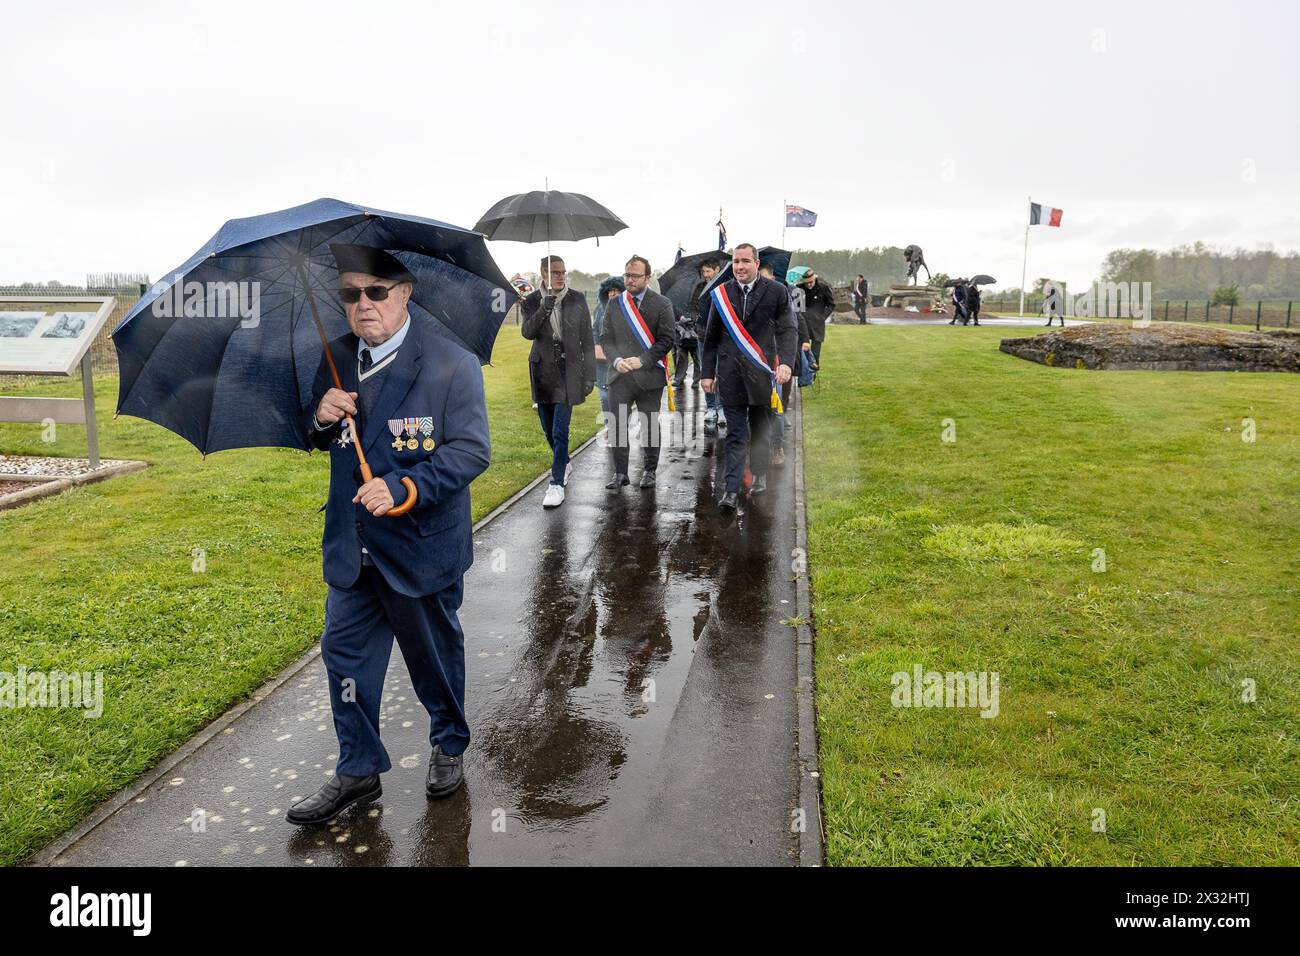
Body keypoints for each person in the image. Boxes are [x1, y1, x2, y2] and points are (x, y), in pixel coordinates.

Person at [289, 244, 491, 825]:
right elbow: (319, 436)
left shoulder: (450, 362)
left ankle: (449, 741)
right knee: (345, 656)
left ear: (405, 295)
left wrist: (403, 489)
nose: (362, 305)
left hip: (421, 544)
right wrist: (321, 418)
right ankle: (358, 769)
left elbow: (471, 450)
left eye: (376, 292)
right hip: (354, 549)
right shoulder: (333, 360)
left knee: (431, 656)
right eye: (350, 294)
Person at [700, 243, 797, 510]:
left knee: (760, 431)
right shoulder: (720, 294)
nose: (740, 266)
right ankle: (730, 489)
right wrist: (706, 373)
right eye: (735, 261)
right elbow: (710, 338)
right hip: (730, 374)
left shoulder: (776, 292)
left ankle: (759, 475)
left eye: (745, 261)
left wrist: (786, 363)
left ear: (756, 263)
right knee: (735, 433)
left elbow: (788, 330)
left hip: (761, 374)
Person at [520, 255, 596, 509]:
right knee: (547, 429)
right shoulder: (531, 301)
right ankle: (564, 462)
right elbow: (528, 332)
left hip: (569, 372)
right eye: (555, 272)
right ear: (543, 274)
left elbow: (587, 338)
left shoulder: (577, 299)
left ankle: (556, 483)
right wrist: (545, 307)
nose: (561, 276)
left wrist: (590, 375)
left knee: (560, 431)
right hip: (542, 373)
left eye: (563, 272)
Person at [599, 255, 676, 489]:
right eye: (627, 276)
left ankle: (649, 471)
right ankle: (620, 473)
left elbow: (666, 340)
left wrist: (642, 360)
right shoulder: (615, 303)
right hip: (620, 376)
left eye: (635, 276)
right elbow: (606, 338)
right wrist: (616, 360)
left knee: (650, 424)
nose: (630, 280)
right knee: (617, 425)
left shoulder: (662, 303)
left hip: (649, 376)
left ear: (647, 277)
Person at [690, 257, 724, 428]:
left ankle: (723, 407)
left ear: (717, 269)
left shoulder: (726, 285)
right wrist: (698, 321)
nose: (705, 275)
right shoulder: (700, 288)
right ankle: (711, 407)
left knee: (723, 372)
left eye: (708, 271)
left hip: (724, 338)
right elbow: (693, 308)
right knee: (707, 373)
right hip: (704, 337)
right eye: (703, 272)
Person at [592, 275, 625, 415]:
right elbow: (594, 329)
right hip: (602, 361)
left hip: (621, 359)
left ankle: (620, 427)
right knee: (604, 397)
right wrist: (596, 345)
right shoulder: (599, 309)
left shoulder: (629, 310)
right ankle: (609, 425)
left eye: (616, 290)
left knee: (621, 397)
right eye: (610, 291)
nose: (612, 293)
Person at [800, 269, 835, 368]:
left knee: (815, 352)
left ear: (815, 279)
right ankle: (804, 372)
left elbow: (831, 305)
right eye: (806, 283)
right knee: (802, 349)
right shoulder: (799, 289)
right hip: (803, 324)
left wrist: (822, 317)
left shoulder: (824, 288)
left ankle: (813, 371)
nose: (809, 285)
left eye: (811, 282)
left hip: (817, 324)